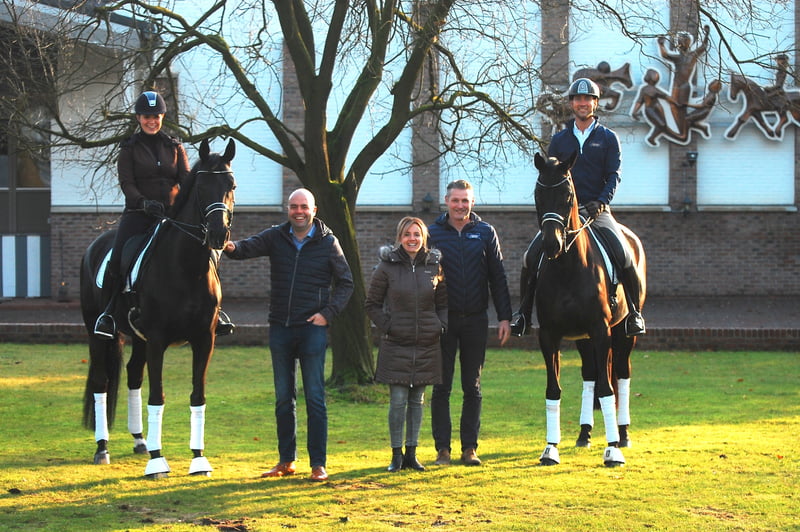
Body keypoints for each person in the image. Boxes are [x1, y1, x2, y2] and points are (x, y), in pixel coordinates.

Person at [223, 188, 354, 482]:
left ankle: (318, 464)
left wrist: (327, 314)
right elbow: (244, 249)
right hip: (280, 327)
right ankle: (286, 461)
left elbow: (347, 283)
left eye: (303, 206)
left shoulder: (328, 242)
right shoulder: (276, 236)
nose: (298, 211)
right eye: (294, 206)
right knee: (284, 399)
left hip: (312, 330)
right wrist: (227, 245)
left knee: (315, 398)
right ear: (287, 209)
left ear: (314, 210)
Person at [511, 78, 646, 338]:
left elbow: (613, 175)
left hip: (597, 211)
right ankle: (524, 314)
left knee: (624, 254)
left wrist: (602, 201)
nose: (583, 103)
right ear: (572, 103)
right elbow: (551, 174)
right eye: (578, 99)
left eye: (588, 99)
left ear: (595, 103)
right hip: (563, 215)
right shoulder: (560, 139)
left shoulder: (608, 138)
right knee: (530, 257)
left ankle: (634, 313)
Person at [94, 91, 234, 338]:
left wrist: (185, 207)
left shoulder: (175, 146)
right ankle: (108, 314)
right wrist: (143, 202)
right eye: (147, 116)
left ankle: (216, 310)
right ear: (139, 118)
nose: (152, 121)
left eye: (156, 116)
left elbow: (187, 181)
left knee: (208, 253)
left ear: (162, 117)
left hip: (172, 216)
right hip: (139, 214)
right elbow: (126, 183)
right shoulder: (129, 148)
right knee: (117, 258)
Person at [428, 180, 512, 466]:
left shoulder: (486, 232)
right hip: (443, 321)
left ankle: (469, 449)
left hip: (476, 319)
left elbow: (497, 277)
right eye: (456, 200)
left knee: (472, 387)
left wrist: (504, 317)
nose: (460, 205)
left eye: (465, 201)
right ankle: (442, 450)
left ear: (472, 203)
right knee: (441, 387)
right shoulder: (432, 232)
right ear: (446, 201)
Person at [365, 217, 447, 472]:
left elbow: (443, 303)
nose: (413, 239)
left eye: (417, 234)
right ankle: (396, 455)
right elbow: (372, 304)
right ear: (400, 237)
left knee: (418, 400)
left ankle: (412, 454)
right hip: (396, 343)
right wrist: (389, 326)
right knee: (398, 400)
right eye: (407, 234)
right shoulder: (386, 267)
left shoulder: (434, 266)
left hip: (426, 343)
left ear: (423, 238)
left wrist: (439, 325)